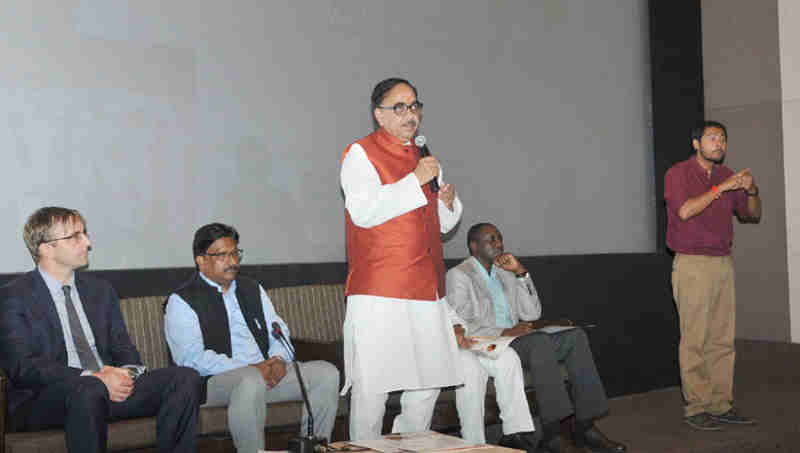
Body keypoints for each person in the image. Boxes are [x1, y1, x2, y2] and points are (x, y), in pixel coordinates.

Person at [340, 77, 481, 443]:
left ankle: (406, 445)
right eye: (399, 107)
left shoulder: (424, 156)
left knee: (427, 382)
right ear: (379, 115)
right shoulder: (360, 153)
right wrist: (414, 181)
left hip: (426, 286)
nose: (410, 114)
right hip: (380, 289)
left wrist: (447, 204)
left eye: (415, 105)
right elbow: (364, 212)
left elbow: (441, 224)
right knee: (373, 389)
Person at [0, 207, 201, 453]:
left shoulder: (100, 291)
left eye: (84, 233)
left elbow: (123, 347)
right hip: (45, 400)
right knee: (89, 388)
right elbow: (23, 367)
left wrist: (126, 375)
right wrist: (93, 377)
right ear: (45, 248)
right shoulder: (14, 296)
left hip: (105, 390)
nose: (87, 242)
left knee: (184, 378)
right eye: (75, 236)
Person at [446, 223, 627, 453]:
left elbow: (532, 314)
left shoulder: (505, 273)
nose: (499, 244)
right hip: (494, 343)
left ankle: (585, 426)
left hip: (519, 338)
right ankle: (553, 433)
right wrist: (503, 332)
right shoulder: (459, 275)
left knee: (575, 337)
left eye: (500, 238)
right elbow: (462, 322)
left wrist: (521, 272)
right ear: (474, 246)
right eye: (491, 239)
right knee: (539, 342)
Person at [164, 223, 340, 453]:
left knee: (326, 374)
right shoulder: (182, 300)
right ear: (201, 260)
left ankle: (314, 449)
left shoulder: (251, 288)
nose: (232, 261)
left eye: (235, 253)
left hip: (265, 372)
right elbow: (191, 359)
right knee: (249, 380)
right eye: (222, 255)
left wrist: (277, 360)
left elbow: (278, 330)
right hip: (213, 383)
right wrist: (252, 367)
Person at [664, 121, 761, 431]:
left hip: (722, 263)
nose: (719, 143)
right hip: (692, 264)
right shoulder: (678, 173)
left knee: (722, 339)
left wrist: (751, 189)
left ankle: (721, 403)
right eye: (712, 138)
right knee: (695, 339)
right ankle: (697, 407)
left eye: (723, 139)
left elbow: (752, 215)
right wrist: (723, 188)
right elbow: (684, 211)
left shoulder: (726, 174)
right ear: (696, 143)